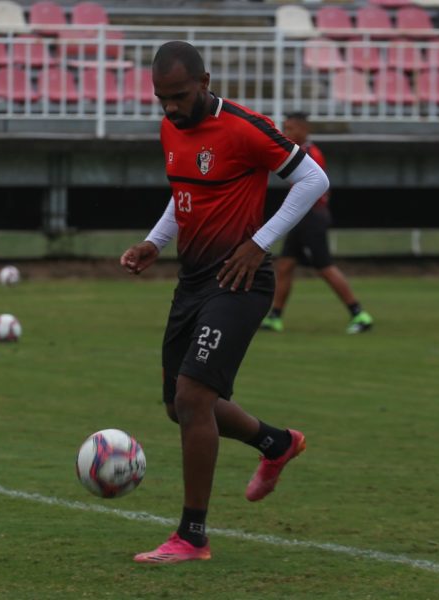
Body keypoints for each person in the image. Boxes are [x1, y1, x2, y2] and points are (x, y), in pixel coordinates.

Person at [120, 41, 329, 564]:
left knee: (193, 399)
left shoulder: (244, 127)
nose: (170, 108)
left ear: (206, 80)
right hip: (192, 280)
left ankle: (192, 537)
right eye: (161, 98)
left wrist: (260, 242)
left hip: (241, 279)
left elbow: (313, 178)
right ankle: (276, 444)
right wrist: (154, 242)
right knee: (179, 407)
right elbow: (185, 192)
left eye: (179, 96)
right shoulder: (172, 128)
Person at [261, 113, 373, 334]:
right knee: (285, 265)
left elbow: (310, 189)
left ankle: (359, 313)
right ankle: (275, 316)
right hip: (301, 217)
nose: (286, 133)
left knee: (324, 267)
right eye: (285, 128)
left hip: (311, 216)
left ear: (304, 129)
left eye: (290, 128)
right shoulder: (301, 152)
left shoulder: (310, 154)